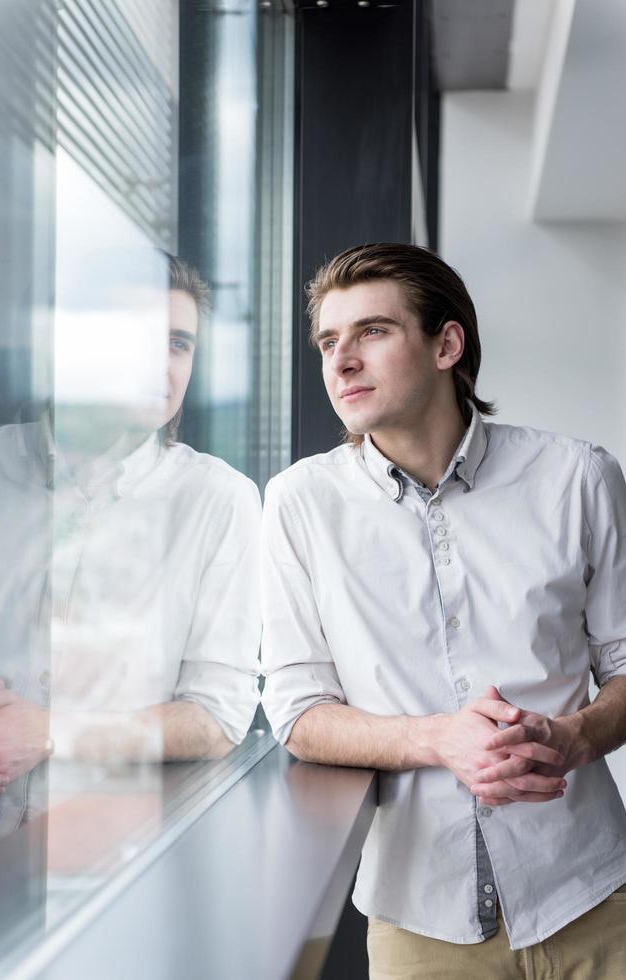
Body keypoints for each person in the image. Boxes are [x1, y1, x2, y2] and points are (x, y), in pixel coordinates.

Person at [261, 242, 626, 977]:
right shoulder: (299, 504)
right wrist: (441, 740)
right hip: (420, 923)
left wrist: (577, 736)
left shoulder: (577, 477)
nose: (342, 361)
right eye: (329, 342)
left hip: (592, 897)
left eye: (372, 331)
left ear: (446, 344)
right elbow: (298, 712)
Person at [0, 251, 261, 846]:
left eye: (180, 343)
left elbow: (218, 719)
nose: (163, 363)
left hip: (114, 866)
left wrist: (54, 732)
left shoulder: (218, 500)